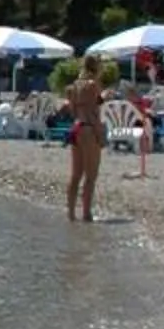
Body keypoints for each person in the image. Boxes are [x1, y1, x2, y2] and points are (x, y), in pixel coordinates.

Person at [64, 63, 109, 221]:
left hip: (76, 128)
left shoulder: (73, 87)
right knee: (91, 175)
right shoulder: (92, 85)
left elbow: (73, 109)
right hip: (89, 129)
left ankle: (70, 214)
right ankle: (86, 214)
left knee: (76, 174)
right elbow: (94, 112)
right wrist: (100, 136)